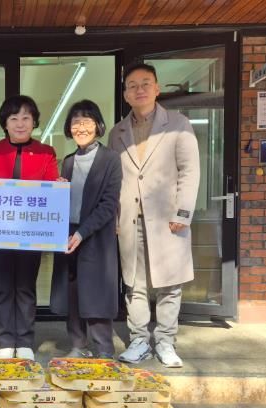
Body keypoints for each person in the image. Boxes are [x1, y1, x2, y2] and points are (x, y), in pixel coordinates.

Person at [108, 63, 200, 368]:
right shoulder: (118, 132)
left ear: (157, 88)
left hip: (167, 219)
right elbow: (114, 179)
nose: (139, 90)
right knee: (134, 283)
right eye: (132, 85)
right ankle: (139, 340)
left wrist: (182, 213)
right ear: (125, 94)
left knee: (169, 283)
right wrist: (115, 217)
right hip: (129, 220)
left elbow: (190, 171)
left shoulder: (178, 124)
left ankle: (165, 341)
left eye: (145, 83)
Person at [0, 95, 59, 360]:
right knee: (1, 288)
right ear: (5, 123)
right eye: (14, 118)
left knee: (25, 287)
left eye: (26, 118)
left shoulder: (46, 152)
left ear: (34, 122)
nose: (20, 124)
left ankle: (24, 341)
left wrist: (59, 187)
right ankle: (5, 340)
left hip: (31, 234)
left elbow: (51, 190)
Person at [50, 100, 122, 359]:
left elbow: (109, 204)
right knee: (72, 292)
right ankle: (78, 346)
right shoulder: (68, 161)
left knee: (96, 293)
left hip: (95, 236)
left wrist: (82, 233)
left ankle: (104, 350)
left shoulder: (111, 159)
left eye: (87, 122)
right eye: (75, 123)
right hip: (68, 233)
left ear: (98, 125)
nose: (81, 128)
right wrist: (58, 189)